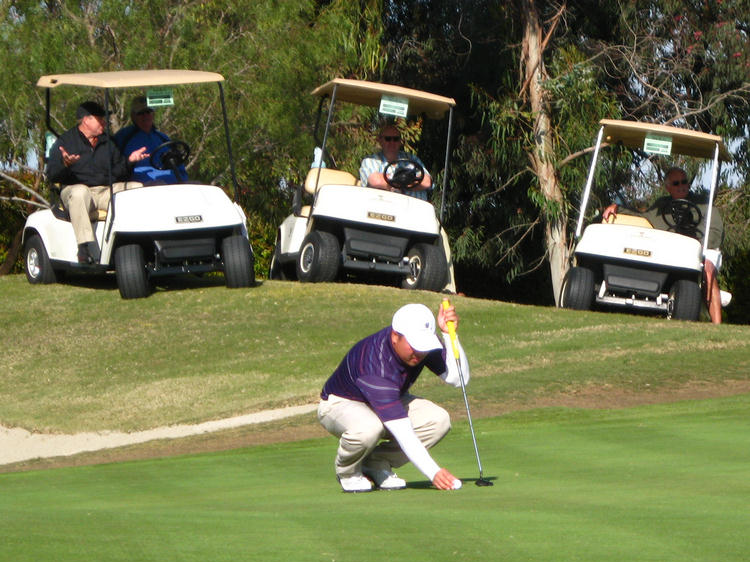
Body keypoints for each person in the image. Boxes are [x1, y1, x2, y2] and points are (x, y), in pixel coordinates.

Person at [317, 302, 469, 492]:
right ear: (395, 336)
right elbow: (402, 430)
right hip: (340, 403)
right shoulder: (375, 365)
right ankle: (348, 472)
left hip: (386, 399)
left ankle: (376, 463)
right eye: (414, 346)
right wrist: (434, 472)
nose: (419, 353)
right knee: (369, 428)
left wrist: (449, 335)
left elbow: (458, 378)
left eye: (423, 347)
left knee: (438, 420)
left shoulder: (421, 347)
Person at [602, 167, 724, 323]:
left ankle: (717, 324)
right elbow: (642, 216)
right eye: (676, 183)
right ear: (668, 187)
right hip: (673, 250)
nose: (681, 186)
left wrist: (698, 246)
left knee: (707, 268)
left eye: (684, 181)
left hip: (703, 248)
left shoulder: (703, 204)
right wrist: (617, 208)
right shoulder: (661, 206)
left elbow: (715, 231)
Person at [45, 101, 148, 263]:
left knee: (137, 188)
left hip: (105, 192)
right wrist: (65, 165)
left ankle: (140, 243)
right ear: (86, 120)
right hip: (75, 192)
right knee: (81, 192)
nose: (105, 123)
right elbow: (52, 175)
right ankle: (84, 248)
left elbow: (118, 172)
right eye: (100, 119)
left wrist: (130, 161)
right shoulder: (65, 142)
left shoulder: (108, 142)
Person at [114, 96, 186, 184]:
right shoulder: (123, 137)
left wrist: (184, 179)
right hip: (142, 187)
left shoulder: (163, 138)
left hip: (172, 184)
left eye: (148, 112)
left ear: (153, 114)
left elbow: (178, 163)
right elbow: (116, 167)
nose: (145, 116)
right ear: (133, 116)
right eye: (141, 113)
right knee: (159, 184)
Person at [359, 124, 432, 200]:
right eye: (388, 139)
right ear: (380, 141)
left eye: (396, 139)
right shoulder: (370, 160)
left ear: (400, 141)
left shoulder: (411, 158)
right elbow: (375, 181)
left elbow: (427, 182)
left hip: (416, 208)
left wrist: (392, 183)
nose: (392, 142)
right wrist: (408, 180)